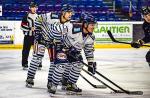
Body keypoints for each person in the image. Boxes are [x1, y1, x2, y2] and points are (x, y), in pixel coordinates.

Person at [26, 4, 74, 88]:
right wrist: (37, 31)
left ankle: (50, 81)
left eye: (71, 13)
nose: (70, 14)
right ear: (63, 12)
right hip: (41, 38)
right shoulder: (53, 16)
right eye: (68, 12)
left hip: (52, 42)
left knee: (53, 62)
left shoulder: (69, 24)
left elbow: (65, 35)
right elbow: (38, 18)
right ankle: (30, 77)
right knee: (37, 58)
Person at [49, 13, 97, 95]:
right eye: (91, 25)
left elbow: (88, 50)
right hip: (62, 48)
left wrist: (90, 63)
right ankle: (53, 84)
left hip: (74, 52)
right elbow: (55, 29)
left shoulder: (91, 37)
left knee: (79, 64)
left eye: (94, 25)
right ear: (85, 24)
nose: (93, 27)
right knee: (61, 65)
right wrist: (58, 41)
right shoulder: (72, 27)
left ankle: (70, 84)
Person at [20, 2, 42, 70]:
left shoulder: (39, 17)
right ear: (30, 8)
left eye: (35, 7)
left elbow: (41, 27)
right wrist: (30, 28)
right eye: (33, 7)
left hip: (36, 37)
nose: (34, 8)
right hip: (28, 37)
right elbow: (22, 26)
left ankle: (38, 63)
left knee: (38, 51)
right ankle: (25, 64)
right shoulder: (26, 16)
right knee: (25, 51)